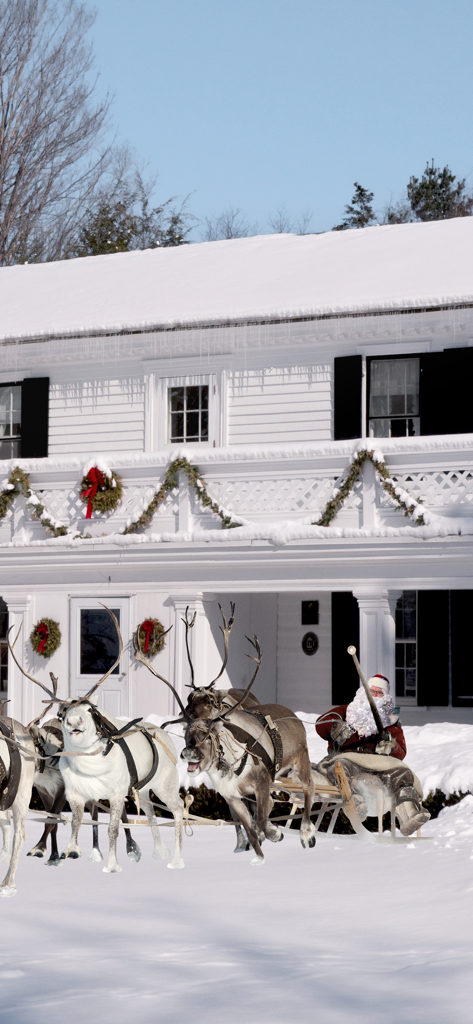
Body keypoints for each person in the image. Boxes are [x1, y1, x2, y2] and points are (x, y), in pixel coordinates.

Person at [316, 675, 430, 836]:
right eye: (371, 691)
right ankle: (356, 803)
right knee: (339, 767)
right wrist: (334, 727)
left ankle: (409, 815)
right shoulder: (345, 710)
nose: (374, 696)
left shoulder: (390, 720)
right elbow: (320, 724)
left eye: (379, 693)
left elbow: (401, 751)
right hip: (348, 757)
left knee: (402, 773)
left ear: (385, 698)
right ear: (363, 692)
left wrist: (391, 746)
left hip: (378, 763)